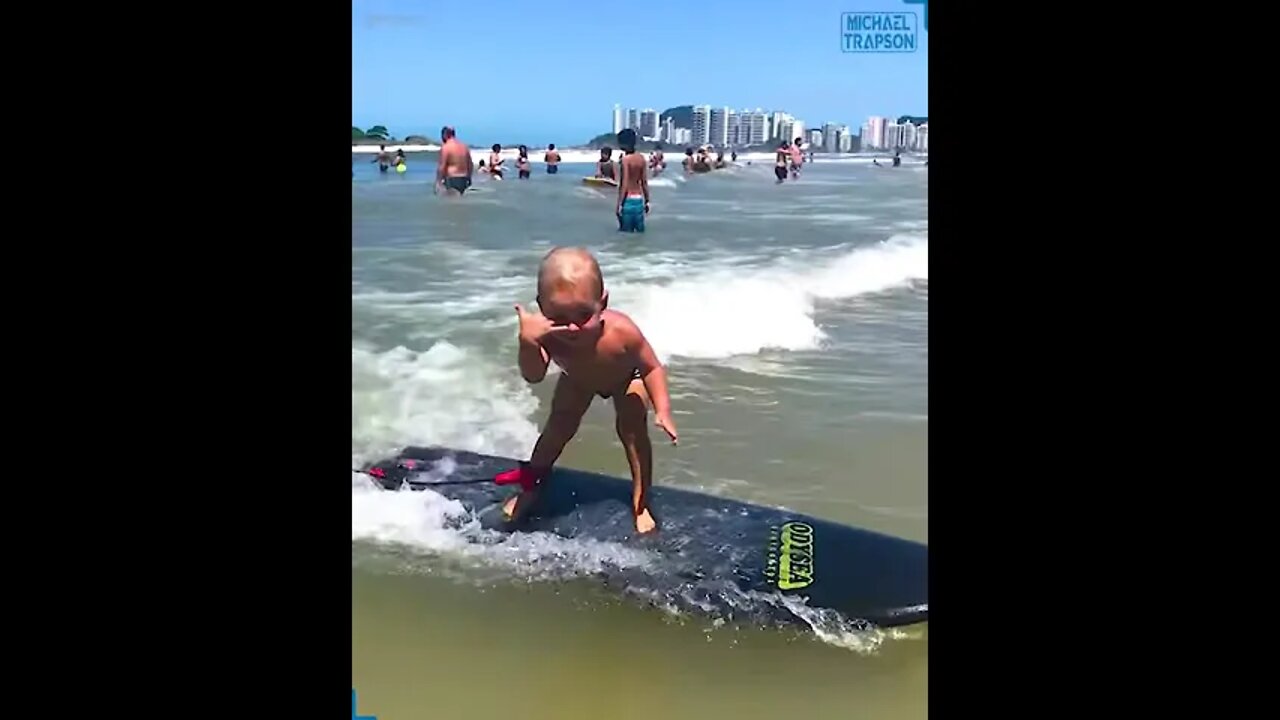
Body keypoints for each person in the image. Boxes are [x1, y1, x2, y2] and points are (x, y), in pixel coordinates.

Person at [500, 247, 677, 535]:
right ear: (541, 307)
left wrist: (663, 410)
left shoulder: (622, 332)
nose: (571, 327)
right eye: (558, 315)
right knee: (556, 430)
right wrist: (528, 343)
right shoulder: (547, 336)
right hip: (577, 379)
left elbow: (652, 367)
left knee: (632, 430)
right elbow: (533, 375)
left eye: (584, 314)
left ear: (602, 302)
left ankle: (641, 503)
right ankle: (530, 489)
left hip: (626, 377)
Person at [615, 128, 649, 233]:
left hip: (628, 201)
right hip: (639, 200)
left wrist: (620, 204)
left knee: (626, 234)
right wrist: (647, 201)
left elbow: (624, 183)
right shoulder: (641, 158)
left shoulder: (625, 160)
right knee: (639, 233)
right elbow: (644, 182)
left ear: (624, 143)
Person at [434, 126, 474, 196]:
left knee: (451, 202)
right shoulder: (464, 147)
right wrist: (469, 178)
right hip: (464, 179)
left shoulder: (446, 147)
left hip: (451, 179)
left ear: (445, 134)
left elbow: (442, 166)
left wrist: (438, 182)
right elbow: (470, 164)